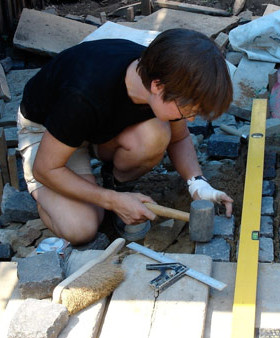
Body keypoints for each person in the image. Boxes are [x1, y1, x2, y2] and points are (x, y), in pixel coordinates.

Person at [17, 28, 233, 245]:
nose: (192, 119)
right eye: (188, 111)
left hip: (92, 129)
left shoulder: (167, 75)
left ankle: (115, 185)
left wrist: (198, 184)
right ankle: (45, 198)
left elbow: (179, 138)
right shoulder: (83, 94)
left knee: (156, 135)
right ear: (157, 86)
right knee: (81, 227)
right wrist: (112, 202)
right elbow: (46, 168)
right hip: (47, 132)